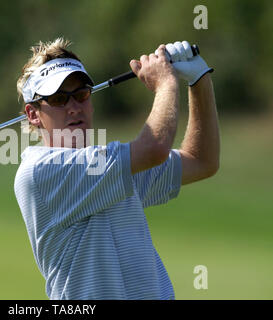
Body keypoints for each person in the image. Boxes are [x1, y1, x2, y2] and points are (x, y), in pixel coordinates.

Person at [14, 38, 220, 299]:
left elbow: (202, 161)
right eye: (58, 99)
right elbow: (154, 149)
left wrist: (199, 80)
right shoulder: (40, 171)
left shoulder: (111, 167)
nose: (74, 108)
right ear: (33, 114)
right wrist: (166, 84)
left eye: (81, 95)